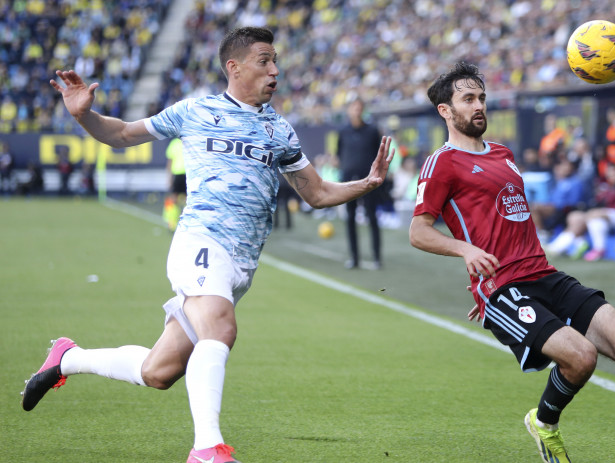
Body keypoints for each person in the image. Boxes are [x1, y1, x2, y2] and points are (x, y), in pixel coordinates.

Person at [23, 27, 394, 463]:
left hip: (240, 264)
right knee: (221, 328)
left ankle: (66, 359)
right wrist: (85, 115)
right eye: (264, 60)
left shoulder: (279, 129)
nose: (275, 70)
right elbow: (122, 133)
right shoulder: (195, 111)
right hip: (200, 241)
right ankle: (207, 450)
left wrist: (367, 184)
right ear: (234, 67)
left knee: (158, 372)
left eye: (276, 61)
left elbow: (316, 194)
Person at [408, 61, 615, 463]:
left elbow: (502, 218)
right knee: (581, 356)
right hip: (504, 287)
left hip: (542, 271)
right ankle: (544, 423)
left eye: (482, 98)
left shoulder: (503, 153)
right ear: (445, 111)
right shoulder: (441, 162)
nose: (478, 106)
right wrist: (468, 254)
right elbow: (418, 231)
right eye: (467, 99)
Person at [336, 97, 384, 269]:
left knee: (372, 218)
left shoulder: (372, 131)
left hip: (369, 181)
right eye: (353, 108)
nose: (356, 111)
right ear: (349, 110)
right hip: (348, 182)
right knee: (350, 219)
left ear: (363, 110)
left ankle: (377, 257)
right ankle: (354, 258)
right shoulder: (343, 131)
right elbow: (339, 154)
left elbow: (379, 155)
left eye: (359, 108)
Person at [164, 137, 186, 231]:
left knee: (173, 198)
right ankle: (187, 222)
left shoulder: (174, 143)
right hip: (187, 172)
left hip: (177, 172)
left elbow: (170, 161)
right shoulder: (188, 141)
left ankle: (171, 222)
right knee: (187, 199)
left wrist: (169, 178)